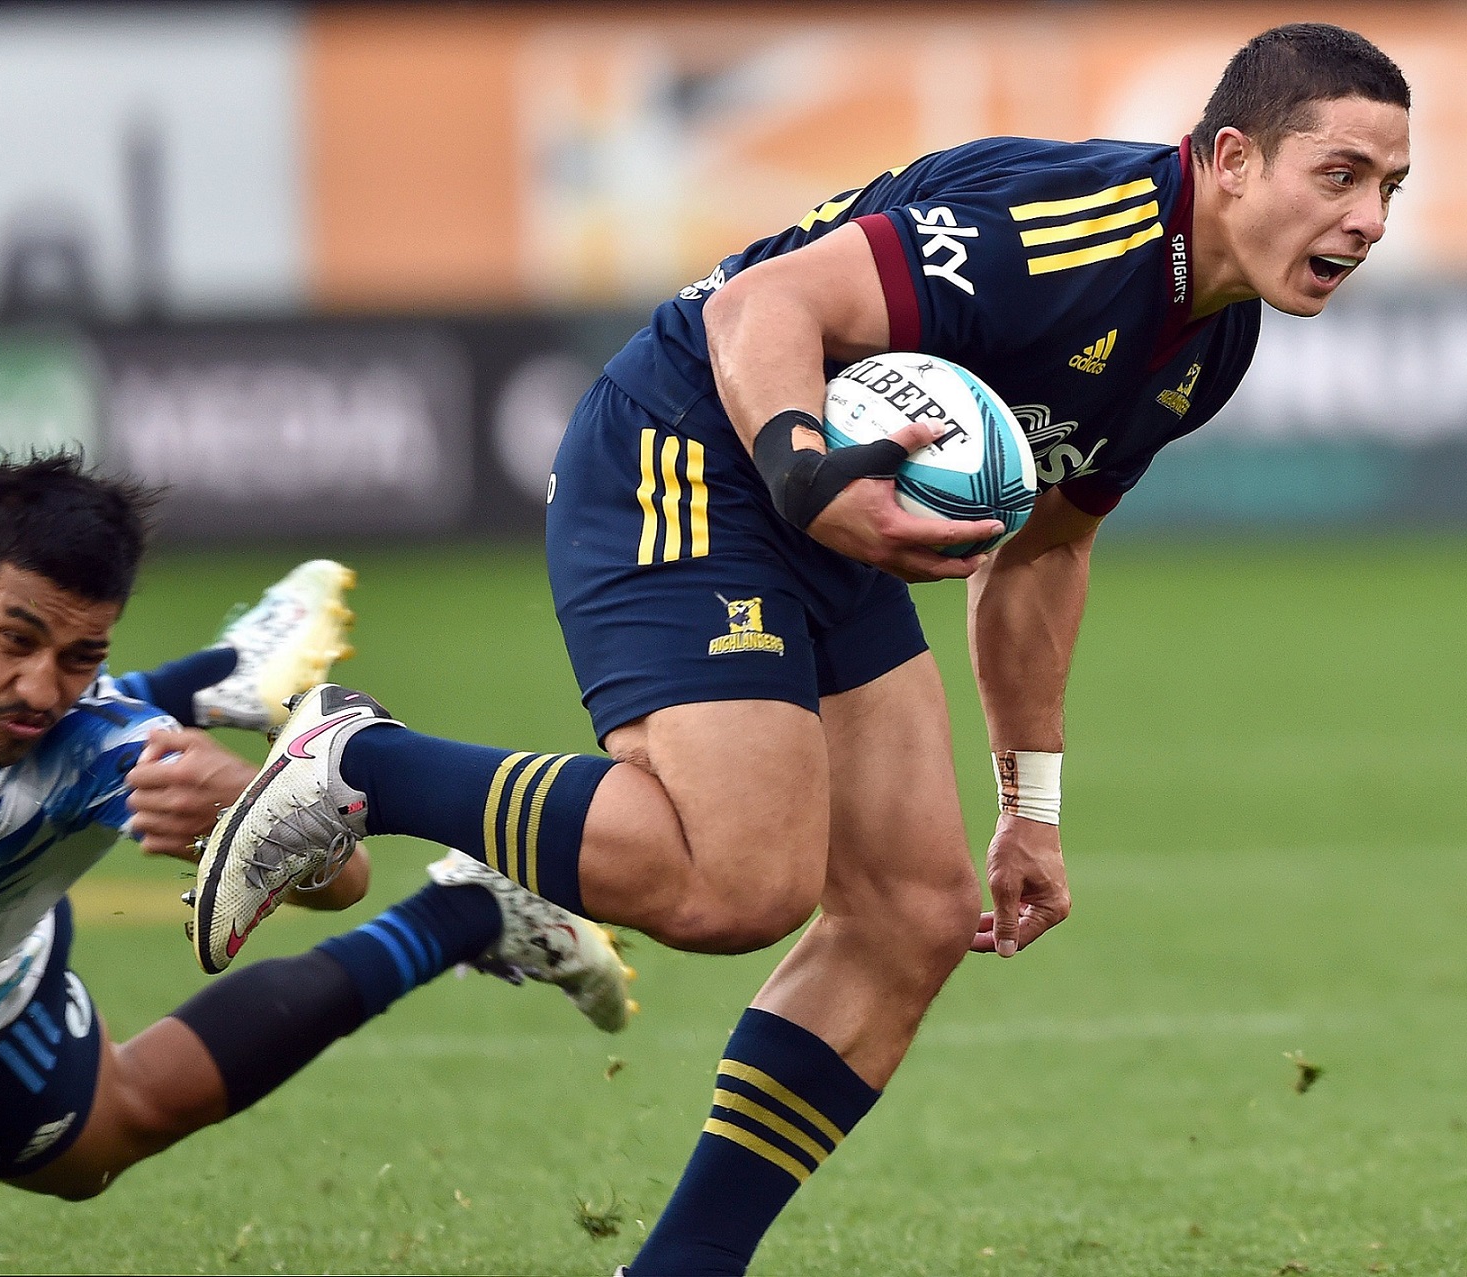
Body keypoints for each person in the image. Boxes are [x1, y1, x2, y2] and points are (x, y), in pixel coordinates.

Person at [194, 22, 1409, 1273]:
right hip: (696, 446)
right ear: (1229, 160)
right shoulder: (1072, 233)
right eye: (1340, 174)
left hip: (825, 511)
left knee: (916, 914)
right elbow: (760, 302)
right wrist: (801, 469)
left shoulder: (1209, 342)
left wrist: (1030, 807)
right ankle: (363, 763)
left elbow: (1042, 555)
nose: (1370, 218)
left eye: (1390, 189)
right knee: (739, 885)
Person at [0, 453, 632, 1200]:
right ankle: (230, 670)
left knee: (105, 1141)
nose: (41, 687)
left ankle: (468, 911)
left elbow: (341, 883)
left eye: (83, 656)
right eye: (16, 638)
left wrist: (239, 807)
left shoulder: (99, 753)